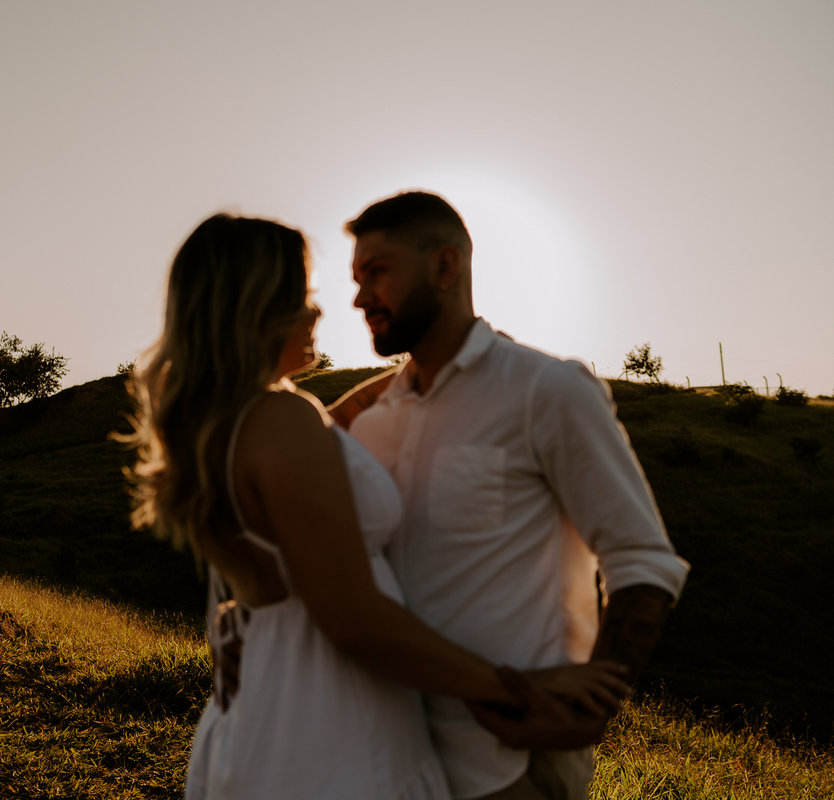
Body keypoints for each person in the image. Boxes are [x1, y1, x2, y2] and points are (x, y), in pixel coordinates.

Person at [124, 213, 629, 800]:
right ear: (256, 306)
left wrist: (476, 357)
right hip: (332, 721)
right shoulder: (281, 421)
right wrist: (518, 689)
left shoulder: (227, 424)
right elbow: (354, 620)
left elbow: (315, 476)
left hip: (273, 699)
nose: (319, 312)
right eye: (303, 295)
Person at [329, 191, 691, 800]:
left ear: (446, 267)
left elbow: (643, 558)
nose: (360, 298)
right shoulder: (374, 421)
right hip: (388, 755)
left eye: (378, 272)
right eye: (356, 279)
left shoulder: (546, 390)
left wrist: (587, 715)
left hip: (515, 758)